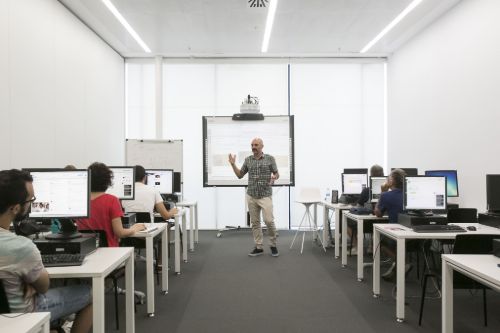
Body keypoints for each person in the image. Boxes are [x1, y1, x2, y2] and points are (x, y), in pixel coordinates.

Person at [0, 169, 92, 333]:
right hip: (21, 315)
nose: (31, 204)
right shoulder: (21, 246)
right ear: (15, 208)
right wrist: (32, 285)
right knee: (92, 293)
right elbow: (43, 287)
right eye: (31, 200)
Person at [228, 138, 280, 257]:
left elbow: (277, 174)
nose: (253, 147)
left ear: (262, 146)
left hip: (265, 195)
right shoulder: (248, 160)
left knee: (269, 221)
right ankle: (259, 246)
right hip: (251, 196)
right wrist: (233, 164)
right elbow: (240, 175)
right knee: (255, 223)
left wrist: (273, 178)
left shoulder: (270, 159)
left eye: (256, 145)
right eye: (252, 145)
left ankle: (273, 244)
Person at [76, 162, 145, 246]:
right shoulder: (112, 200)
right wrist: (135, 228)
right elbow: (120, 233)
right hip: (109, 250)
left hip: (86, 249)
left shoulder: (79, 200)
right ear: (108, 181)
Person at [374, 168, 407, 280]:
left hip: (396, 234)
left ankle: (401, 262)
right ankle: (400, 264)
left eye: (389, 178)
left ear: (391, 181)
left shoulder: (386, 195)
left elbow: (378, 213)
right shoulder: (410, 194)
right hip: (414, 235)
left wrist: (382, 192)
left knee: (378, 242)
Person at [347, 164, 385, 255]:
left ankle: (357, 247)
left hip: (367, 223)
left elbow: (358, 207)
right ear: (383, 174)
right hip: (385, 222)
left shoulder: (366, 190)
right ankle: (372, 247)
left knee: (347, 222)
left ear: (371, 175)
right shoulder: (389, 190)